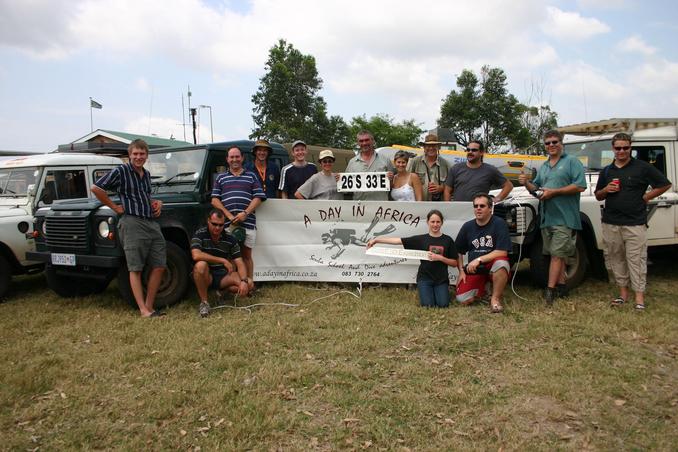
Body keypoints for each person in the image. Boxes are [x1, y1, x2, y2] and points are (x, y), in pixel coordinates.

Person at [594, 132, 671, 310]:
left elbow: (665, 184)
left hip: (635, 223)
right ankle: (622, 294)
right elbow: (598, 196)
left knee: (636, 260)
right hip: (611, 222)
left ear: (631, 148)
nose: (622, 151)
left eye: (625, 147)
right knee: (616, 258)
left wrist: (646, 197)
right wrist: (606, 189)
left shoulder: (642, 167)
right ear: (613, 149)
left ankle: (639, 298)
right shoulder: (607, 171)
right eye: (618, 148)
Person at [91, 139, 166, 318]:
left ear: (146, 155)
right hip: (131, 222)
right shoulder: (121, 171)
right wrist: (114, 207)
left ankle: (150, 305)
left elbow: (145, 196)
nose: (138, 157)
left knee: (160, 265)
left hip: (150, 222)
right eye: (135, 154)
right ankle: (143, 310)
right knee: (135, 267)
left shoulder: (146, 174)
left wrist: (157, 203)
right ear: (129, 155)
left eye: (142, 154)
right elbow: (96, 188)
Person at [518, 129, 586, 305]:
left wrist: (555, 192)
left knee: (556, 255)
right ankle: (562, 287)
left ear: (561, 143)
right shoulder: (545, 166)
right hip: (547, 218)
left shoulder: (572, 162)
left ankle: (550, 290)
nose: (551, 146)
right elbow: (537, 189)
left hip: (565, 218)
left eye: (555, 142)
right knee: (558, 254)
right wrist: (526, 183)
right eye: (548, 143)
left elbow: (580, 186)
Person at [366, 209, 458, 308]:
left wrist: (440, 258)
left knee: (443, 305)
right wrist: (377, 240)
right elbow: (398, 241)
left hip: (441, 280)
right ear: (427, 222)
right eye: (432, 222)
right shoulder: (421, 239)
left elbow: (454, 263)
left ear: (442, 223)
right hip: (425, 279)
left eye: (438, 222)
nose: (435, 224)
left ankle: (439, 292)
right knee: (428, 305)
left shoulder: (448, 240)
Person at [211, 146, 266, 292]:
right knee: (229, 257)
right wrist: (229, 215)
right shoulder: (221, 177)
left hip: (247, 222)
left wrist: (245, 213)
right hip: (227, 224)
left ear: (242, 158)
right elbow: (214, 200)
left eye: (237, 157)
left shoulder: (251, 176)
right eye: (231, 157)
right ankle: (229, 287)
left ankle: (250, 286)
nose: (234, 159)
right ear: (227, 159)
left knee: (247, 256)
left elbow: (259, 197)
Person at [455, 193, 512, 313]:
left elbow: (502, 251)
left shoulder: (499, 223)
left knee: (502, 262)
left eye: (482, 206)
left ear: (490, 208)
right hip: (475, 269)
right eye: (476, 206)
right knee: (462, 299)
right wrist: (461, 271)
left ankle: (495, 299)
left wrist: (478, 259)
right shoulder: (468, 226)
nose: (478, 208)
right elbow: (458, 251)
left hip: (492, 266)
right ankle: (485, 289)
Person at [191, 209, 249, 317]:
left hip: (223, 276)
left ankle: (221, 293)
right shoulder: (199, 234)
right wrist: (222, 260)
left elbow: (239, 262)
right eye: (214, 224)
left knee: (249, 284)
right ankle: (204, 303)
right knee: (200, 266)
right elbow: (196, 255)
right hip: (206, 275)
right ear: (208, 221)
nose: (217, 228)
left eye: (221, 225)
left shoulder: (230, 238)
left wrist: (244, 281)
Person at [444, 140, 512, 202]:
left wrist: (497, 199)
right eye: (468, 150)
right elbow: (447, 190)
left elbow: (508, 186)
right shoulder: (456, 168)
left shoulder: (490, 170)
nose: (470, 152)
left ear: (481, 152)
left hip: (479, 212)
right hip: (459, 211)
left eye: (474, 150)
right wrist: (449, 206)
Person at [344, 130, 395, 201]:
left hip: (380, 207)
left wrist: (390, 179)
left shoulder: (385, 160)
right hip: (360, 207)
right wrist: (339, 180)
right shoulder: (352, 162)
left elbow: (392, 185)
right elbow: (346, 187)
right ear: (358, 143)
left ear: (373, 141)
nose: (364, 143)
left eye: (367, 140)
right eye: (361, 141)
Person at [407, 133, 449, 201]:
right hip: (419, 204)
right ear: (424, 147)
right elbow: (406, 180)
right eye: (428, 146)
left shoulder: (446, 164)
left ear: (438, 147)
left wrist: (441, 188)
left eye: (434, 145)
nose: (431, 148)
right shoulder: (415, 161)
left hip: (439, 205)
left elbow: (451, 185)